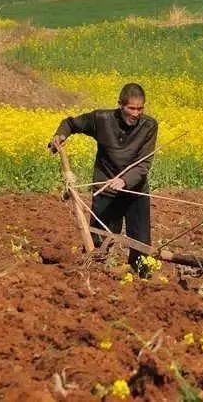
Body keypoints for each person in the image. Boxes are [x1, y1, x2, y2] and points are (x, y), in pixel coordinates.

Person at [49, 82, 157, 271]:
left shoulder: (149, 126)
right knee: (99, 243)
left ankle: (142, 282)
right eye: (131, 108)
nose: (136, 113)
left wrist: (124, 180)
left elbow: (143, 163)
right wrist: (61, 135)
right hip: (106, 190)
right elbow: (70, 123)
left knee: (141, 249)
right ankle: (99, 278)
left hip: (136, 191)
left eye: (140, 108)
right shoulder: (101, 119)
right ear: (120, 105)